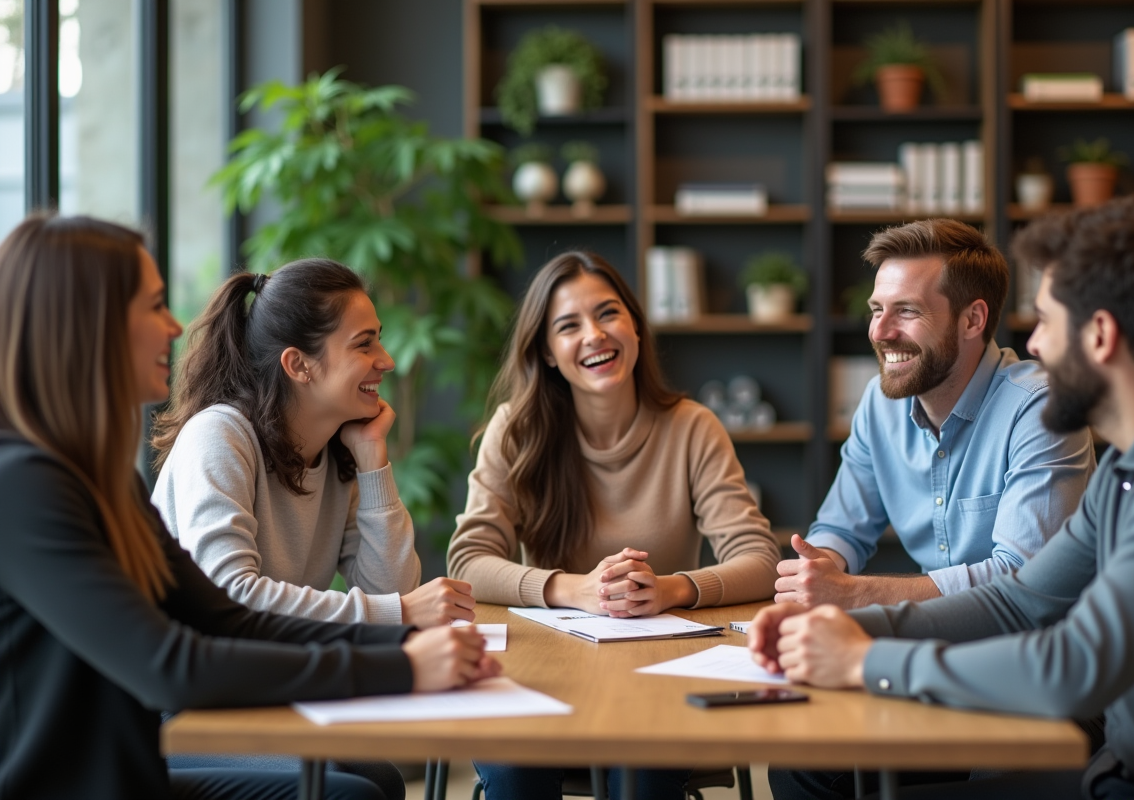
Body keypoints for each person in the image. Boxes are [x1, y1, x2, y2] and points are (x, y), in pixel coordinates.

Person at [0, 214, 498, 800]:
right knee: (352, 794)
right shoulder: (22, 487)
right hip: (77, 782)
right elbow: (171, 664)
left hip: (127, 772)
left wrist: (403, 643)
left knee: (374, 783)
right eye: (153, 305)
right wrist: (405, 663)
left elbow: (224, 617)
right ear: (89, 325)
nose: (175, 324)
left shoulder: (100, 480)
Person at [750, 194, 1134, 799]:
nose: (1034, 345)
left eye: (1046, 322)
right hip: (1118, 766)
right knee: (815, 763)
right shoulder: (1130, 459)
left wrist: (864, 660)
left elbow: (1074, 663)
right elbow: (1021, 600)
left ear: (1099, 335)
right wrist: (852, 629)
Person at [447, 251, 780, 800]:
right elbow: (468, 560)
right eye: (568, 325)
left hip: (658, 673)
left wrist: (672, 588)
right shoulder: (516, 429)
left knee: (645, 774)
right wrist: (575, 589)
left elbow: (761, 560)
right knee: (513, 774)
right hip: (543, 670)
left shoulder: (693, 427)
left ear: (635, 328)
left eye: (607, 314)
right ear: (548, 353)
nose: (594, 335)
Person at [776, 219, 1093, 613]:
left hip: (1033, 652)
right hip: (930, 638)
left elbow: (1024, 578)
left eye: (906, 311)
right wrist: (819, 568)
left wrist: (854, 593)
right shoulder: (880, 403)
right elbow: (842, 529)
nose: (879, 332)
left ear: (972, 320)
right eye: (877, 310)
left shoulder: (1040, 407)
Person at [151, 259, 475, 629]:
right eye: (364, 344)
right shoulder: (218, 437)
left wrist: (373, 461)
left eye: (378, 340)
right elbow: (229, 596)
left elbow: (390, 590)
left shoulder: (337, 450)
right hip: (191, 680)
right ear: (299, 365)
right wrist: (398, 610)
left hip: (273, 673)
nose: (386, 361)